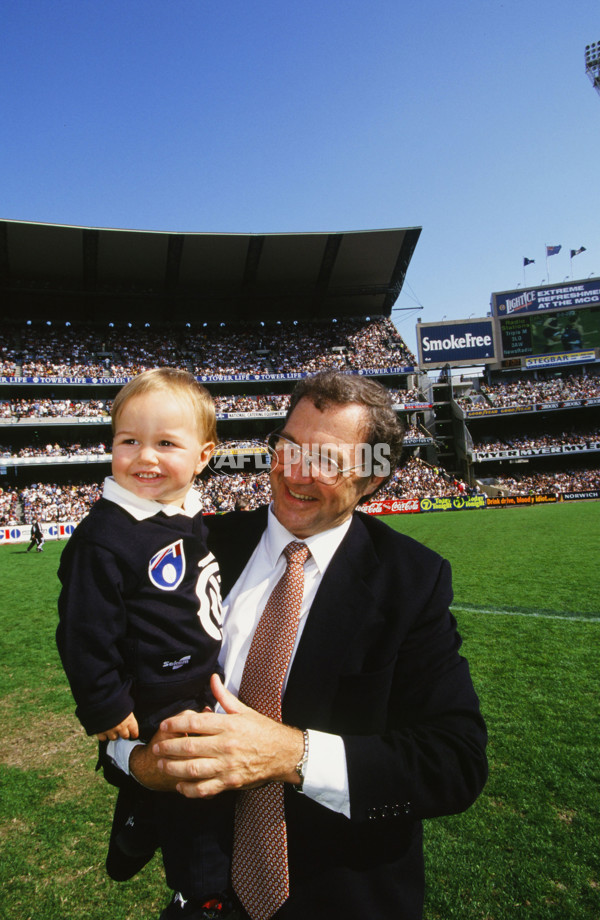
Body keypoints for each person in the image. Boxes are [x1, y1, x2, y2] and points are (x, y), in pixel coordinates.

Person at [111, 369, 488, 920]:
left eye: (328, 461)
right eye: (289, 447)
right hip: (201, 892)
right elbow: (113, 690)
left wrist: (291, 755)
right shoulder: (193, 546)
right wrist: (140, 762)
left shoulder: (411, 581)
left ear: (372, 479)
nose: (296, 473)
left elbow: (454, 762)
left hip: (346, 900)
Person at [56, 368, 232, 918]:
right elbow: (84, 630)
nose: (144, 457)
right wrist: (106, 702)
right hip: (159, 697)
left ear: (203, 456)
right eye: (128, 441)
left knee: (191, 792)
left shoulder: (183, 516)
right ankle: (199, 893)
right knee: (199, 798)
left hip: (198, 683)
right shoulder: (105, 537)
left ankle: (136, 819)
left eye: (165, 443)